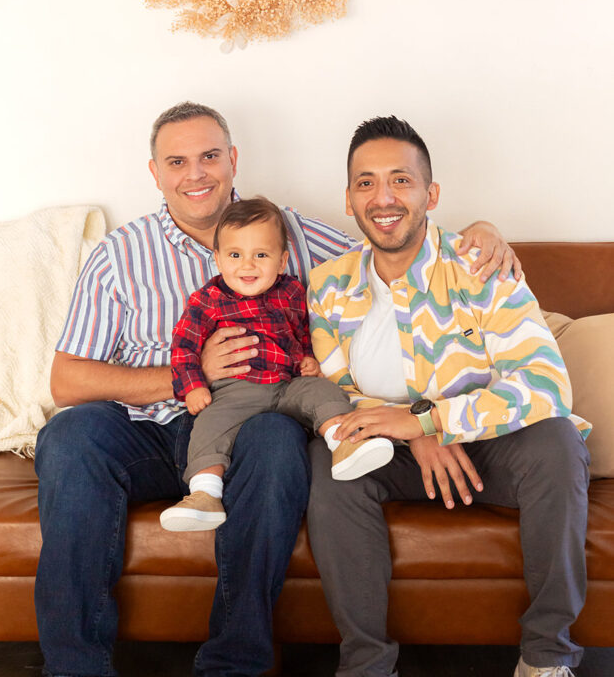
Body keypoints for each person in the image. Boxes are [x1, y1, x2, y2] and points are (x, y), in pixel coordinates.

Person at [34, 101, 520, 677]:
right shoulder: (121, 254)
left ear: (233, 159)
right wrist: (191, 375)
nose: (196, 174)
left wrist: (478, 235)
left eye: (210, 156)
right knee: (68, 434)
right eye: (177, 161)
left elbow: (398, 258)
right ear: (155, 172)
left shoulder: (289, 232)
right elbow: (67, 380)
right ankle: (76, 668)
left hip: (255, 424)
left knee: (275, 439)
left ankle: (233, 664)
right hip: (148, 428)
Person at [306, 115, 591, 677]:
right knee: (330, 461)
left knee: (558, 443)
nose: (383, 197)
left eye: (400, 180)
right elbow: (335, 388)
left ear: (430, 193)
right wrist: (412, 431)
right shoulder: (328, 284)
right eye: (365, 183)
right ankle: (366, 665)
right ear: (347, 198)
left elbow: (544, 383)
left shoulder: (480, 265)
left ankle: (546, 656)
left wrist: (434, 421)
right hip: (389, 450)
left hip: (492, 447)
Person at [160, 197, 394, 532]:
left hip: (287, 386)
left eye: (261, 255)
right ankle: (204, 494)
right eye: (235, 255)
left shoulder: (293, 292)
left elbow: (301, 332)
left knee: (323, 391)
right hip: (235, 391)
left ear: (282, 260)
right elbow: (183, 347)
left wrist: (307, 360)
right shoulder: (207, 301)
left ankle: (343, 444)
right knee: (209, 427)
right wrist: (193, 385)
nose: (248, 266)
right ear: (218, 260)